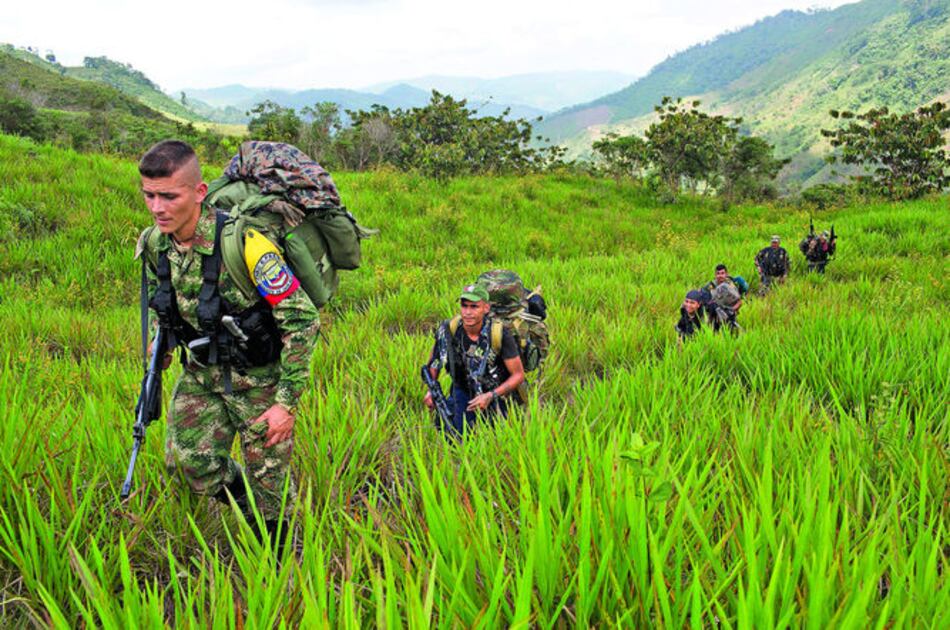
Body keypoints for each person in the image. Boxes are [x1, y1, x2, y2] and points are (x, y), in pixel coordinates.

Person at [134, 140, 319, 548]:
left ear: (199, 193)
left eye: (169, 196)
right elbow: (164, 301)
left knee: (270, 488)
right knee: (186, 464)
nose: (157, 208)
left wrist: (285, 403)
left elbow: (303, 318)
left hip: (259, 382)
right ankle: (244, 503)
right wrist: (159, 344)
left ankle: (281, 561)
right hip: (201, 374)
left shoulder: (247, 244)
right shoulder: (154, 243)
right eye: (149, 195)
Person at [424, 283, 525, 437]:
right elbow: (436, 362)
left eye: (474, 307)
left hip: (493, 392)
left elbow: (518, 375)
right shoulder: (449, 329)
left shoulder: (499, 334)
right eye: (464, 306)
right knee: (454, 435)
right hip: (463, 388)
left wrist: (490, 396)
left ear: (486, 308)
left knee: (500, 437)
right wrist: (431, 389)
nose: (468, 312)